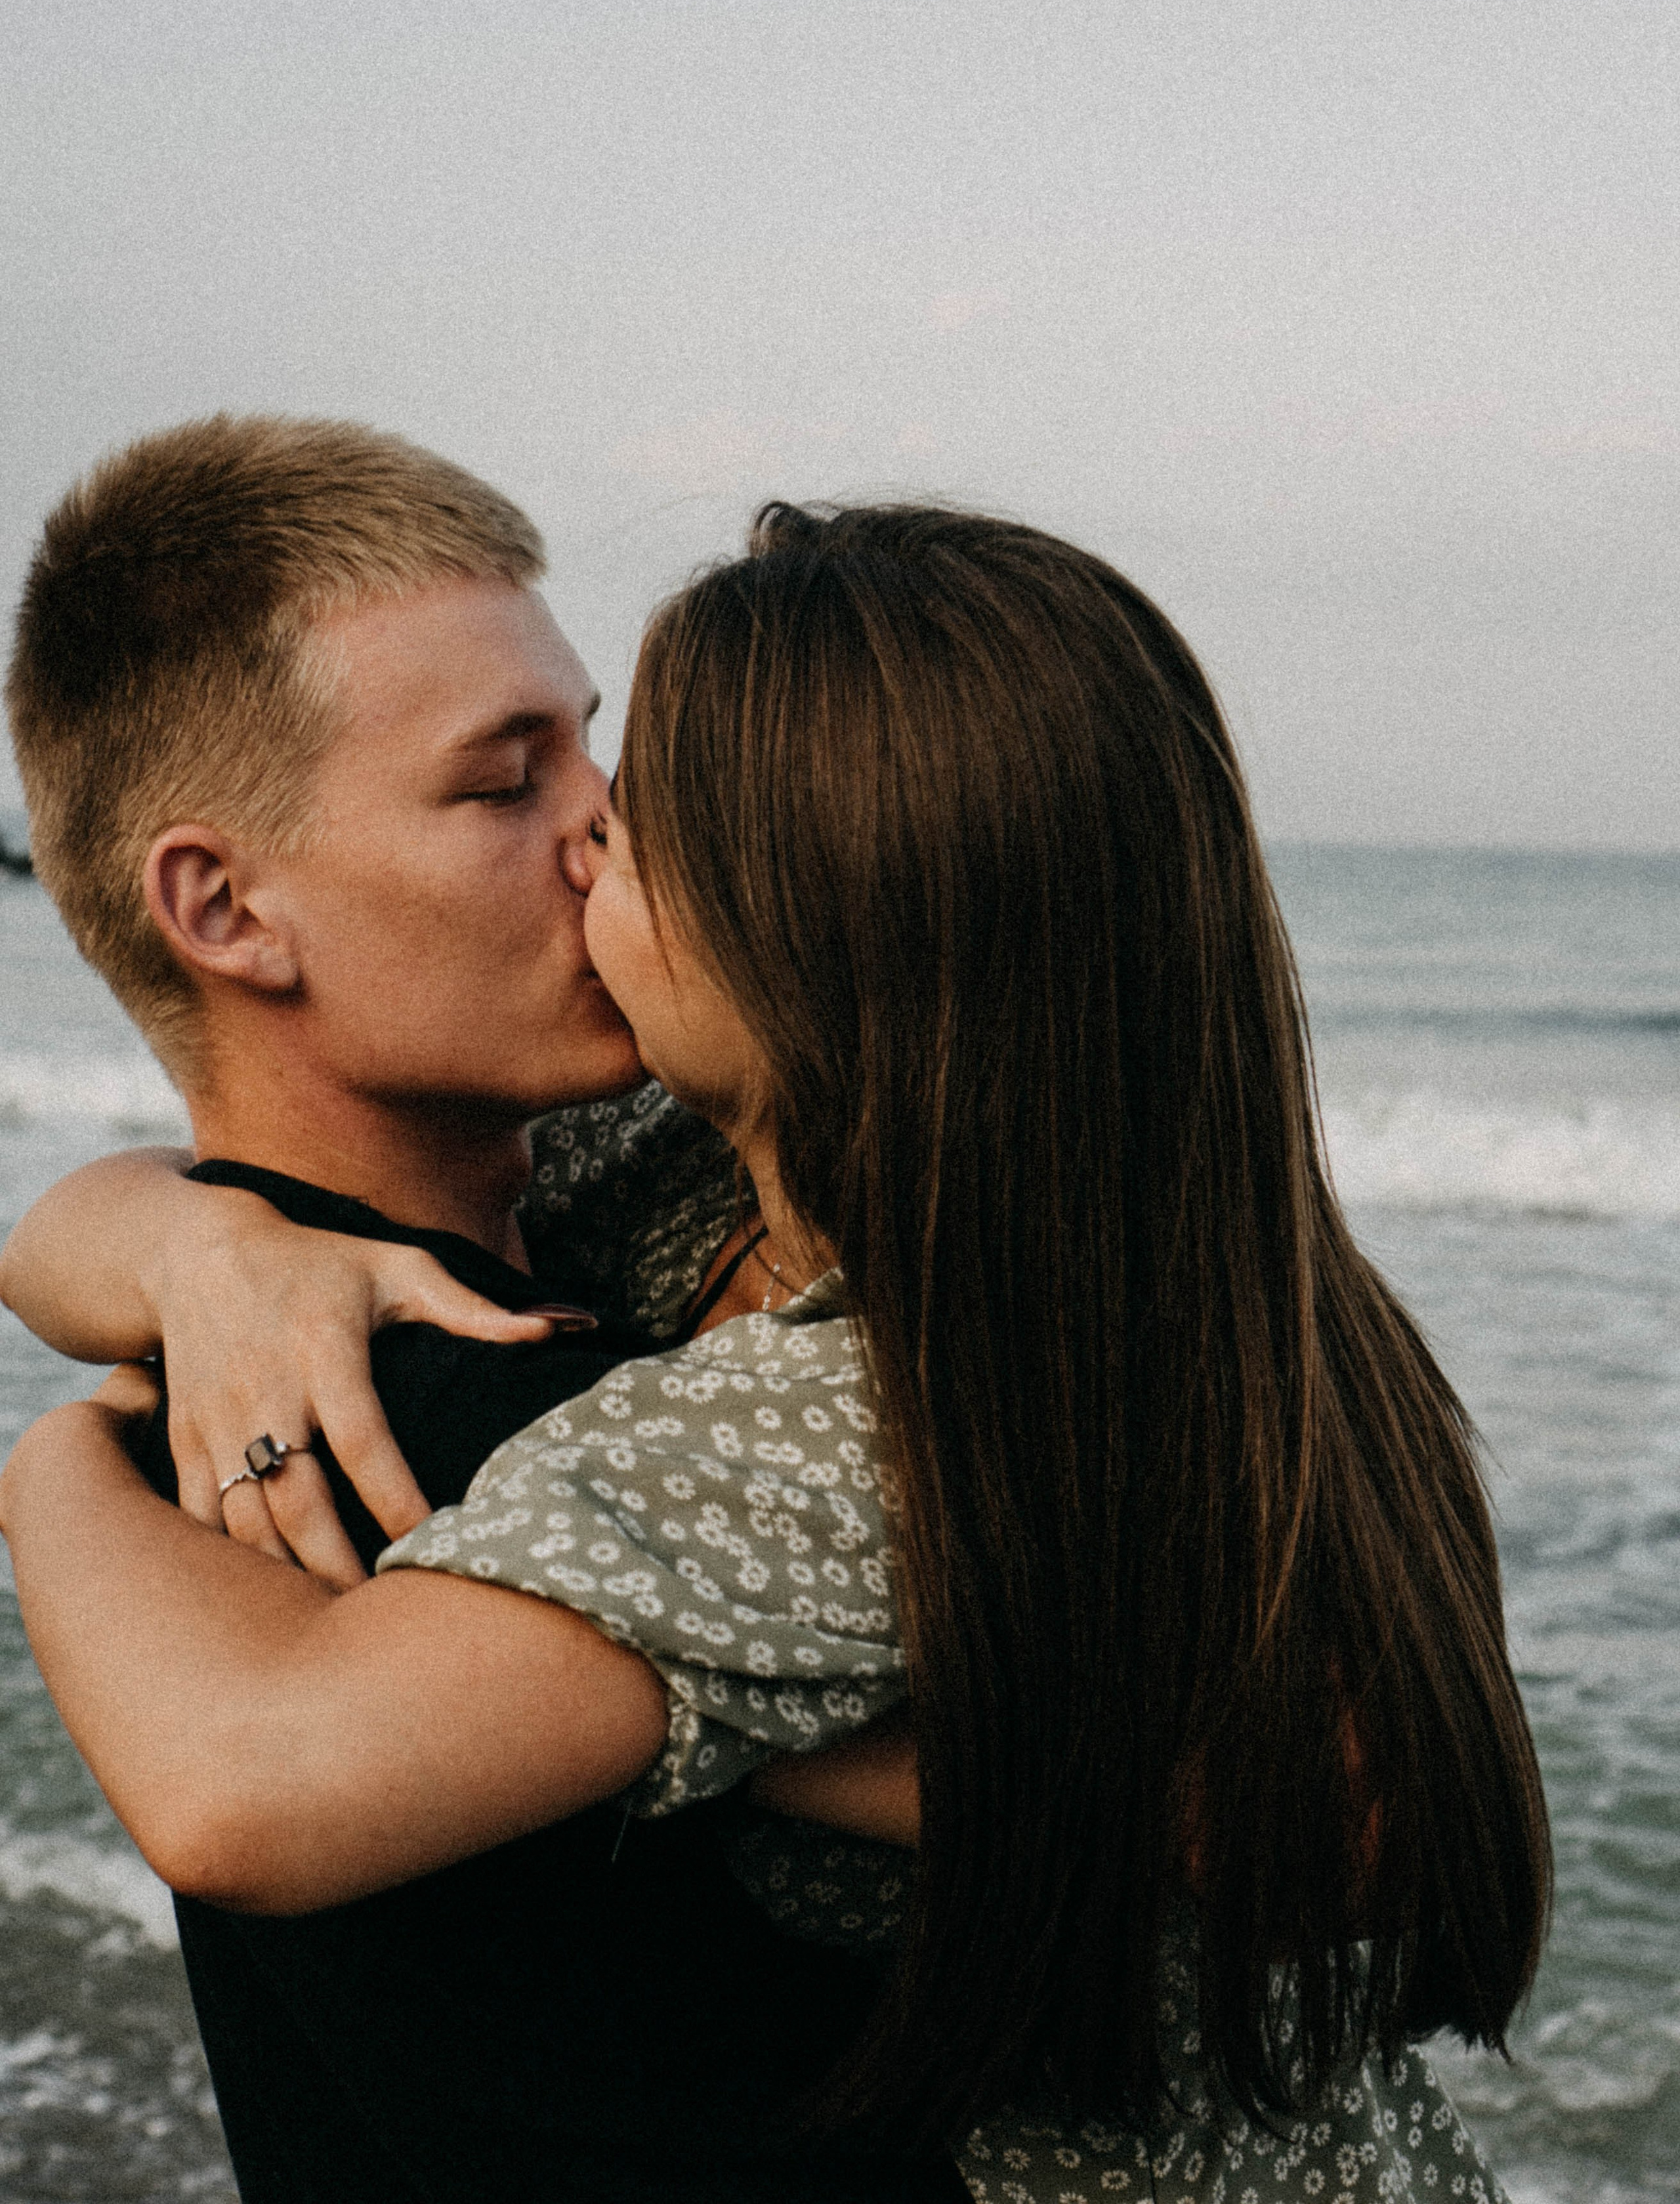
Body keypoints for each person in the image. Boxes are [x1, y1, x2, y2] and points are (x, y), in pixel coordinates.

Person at [1, 499, 1549, 2203]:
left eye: (635, 805)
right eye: (514, 777)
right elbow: (88, 1240)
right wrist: (182, 1239)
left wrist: (53, 1462)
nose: (592, 833)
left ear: (819, 948)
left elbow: (246, 1796)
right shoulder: (967, 1227)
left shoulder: (803, 1429)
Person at [0, 417, 961, 2203]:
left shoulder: (434, 1280)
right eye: (502, 780)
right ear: (224, 907)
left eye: (588, 743)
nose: (609, 824)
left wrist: (150, 1263)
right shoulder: (483, 1423)